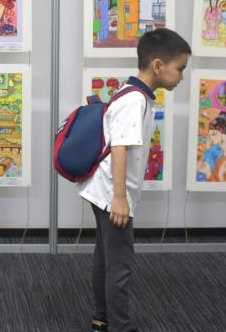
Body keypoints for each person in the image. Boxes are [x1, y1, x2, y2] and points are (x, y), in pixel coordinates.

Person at [78, 28, 191, 332]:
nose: (182, 76)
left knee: (106, 258)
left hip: (103, 191)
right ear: (158, 65)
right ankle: (121, 326)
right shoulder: (135, 100)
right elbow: (119, 148)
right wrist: (119, 199)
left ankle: (101, 317)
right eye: (180, 68)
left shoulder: (132, 94)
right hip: (112, 196)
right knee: (120, 264)